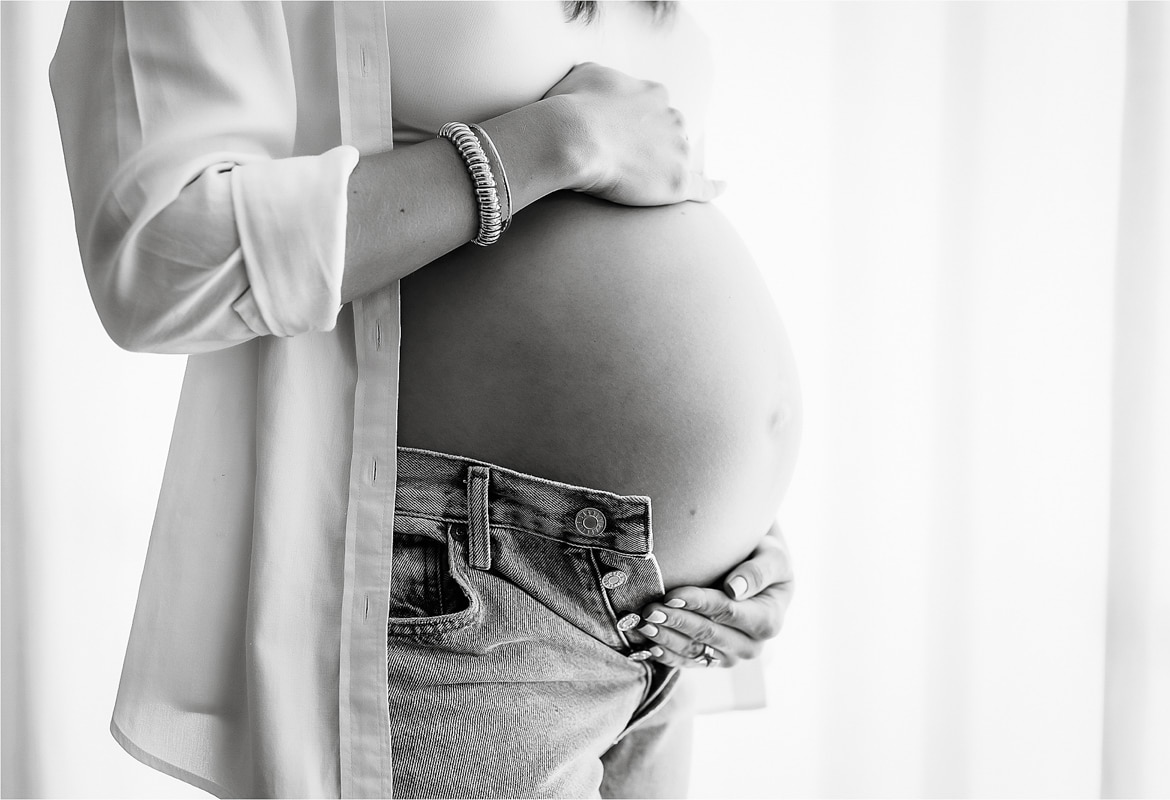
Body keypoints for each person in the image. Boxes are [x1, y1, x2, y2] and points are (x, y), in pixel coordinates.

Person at [50, 1, 801, 797]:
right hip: (463, 594)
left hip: (667, 625)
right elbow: (159, 261)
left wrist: (743, 537)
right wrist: (555, 142)